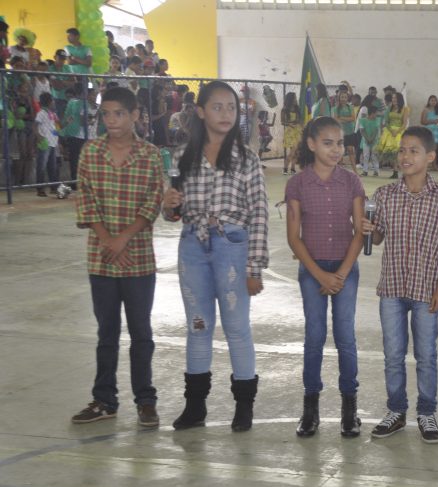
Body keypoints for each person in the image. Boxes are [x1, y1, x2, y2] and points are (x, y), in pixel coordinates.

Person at [162, 81, 268, 433]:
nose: (226, 114)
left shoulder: (247, 159)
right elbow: (173, 213)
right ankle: (195, 407)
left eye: (231, 108)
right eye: (218, 107)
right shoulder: (183, 156)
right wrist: (169, 206)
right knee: (198, 326)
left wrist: (254, 267)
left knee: (237, 327)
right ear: (200, 111)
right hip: (192, 247)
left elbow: (259, 213)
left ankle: (244, 406)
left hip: (232, 247)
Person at [71, 87, 164, 427]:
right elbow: (85, 199)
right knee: (106, 333)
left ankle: (146, 400)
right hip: (102, 260)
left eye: (119, 113)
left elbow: (153, 201)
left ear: (135, 115)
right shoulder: (90, 152)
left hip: (138, 260)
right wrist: (109, 241)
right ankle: (104, 400)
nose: (111, 120)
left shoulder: (150, 155)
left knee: (141, 333)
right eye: (106, 114)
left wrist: (123, 239)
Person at [364, 126, 438, 444]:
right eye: (402, 150)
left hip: (425, 290)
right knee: (393, 354)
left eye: (413, 151)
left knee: (426, 354)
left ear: (430, 156)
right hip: (392, 288)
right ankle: (396, 410)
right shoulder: (384, 195)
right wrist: (367, 228)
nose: (405, 156)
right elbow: (377, 238)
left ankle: (427, 412)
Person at [285, 116, 365, 438]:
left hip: (346, 269)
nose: (336, 150)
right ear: (311, 144)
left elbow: (360, 232)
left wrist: (340, 274)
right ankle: (310, 408)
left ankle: (350, 408)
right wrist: (320, 275)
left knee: (346, 337)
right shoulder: (297, 184)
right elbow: (294, 238)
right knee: (314, 336)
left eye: (340, 143)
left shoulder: (352, 182)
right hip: (312, 270)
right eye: (328, 143)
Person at [377, 92, 409, 179]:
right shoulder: (389, 108)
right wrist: (391, 131)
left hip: (399, 132)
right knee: (392, 153)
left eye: (395, 98)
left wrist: (397, 131)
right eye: (393, 98)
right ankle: (395, 171)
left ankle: (402, 171)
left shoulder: (405, 109)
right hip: (389, 132)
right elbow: (386, 122)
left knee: (398, 152)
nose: (393, 100)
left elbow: (404, 124)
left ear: (400, 99)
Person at [34, 93, 61, 197]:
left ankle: (53, 187)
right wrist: (38, 136)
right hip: (45, 142)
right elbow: (35, 126)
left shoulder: (53, 114)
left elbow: (58, 127)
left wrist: (66, 122)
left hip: (53, 142)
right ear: (49, 102)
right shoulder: (41, 113)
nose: (54, 102)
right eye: (52, 100)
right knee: (41, 166)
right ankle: (40, 189)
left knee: (52, 167)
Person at [332, 91, 357, 170]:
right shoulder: (335, 108)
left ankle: (355, 171)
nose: (344, 99)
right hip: (340, 133)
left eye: (345, 97)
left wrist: (341, 118)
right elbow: (336, 120)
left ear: (347, 98)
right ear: (339, 98)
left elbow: (353, 118)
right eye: (342, 97)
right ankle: (339, 171)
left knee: (351, 151)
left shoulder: (350, 107)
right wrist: (347, 119)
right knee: (340, 153)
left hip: (350, 132)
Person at [420, 95, 438, 170]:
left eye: (435, 100)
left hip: (437, 132)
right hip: (429, 131)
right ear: (429, 101)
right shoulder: (426, 110)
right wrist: (433, 121)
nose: (433, 102)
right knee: (428, 149)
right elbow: (422, 121)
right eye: (432, 100)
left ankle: (434, 165)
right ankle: (425, 165)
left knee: (434, 149)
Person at [281, 91, 301, 175]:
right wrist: (289, 124)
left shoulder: (297, 108)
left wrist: (298, 123)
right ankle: (285, 168)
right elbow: (282, 122)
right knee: (292, 152)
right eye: (294, 98)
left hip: (297, 131)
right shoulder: (284, 109)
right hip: (290, 132)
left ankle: (292, 168)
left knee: (297, 152)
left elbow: (299, 120)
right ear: (290, 99)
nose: (296, 100)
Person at [359, 106, 381, 177]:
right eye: (376, 113)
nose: (377, 115)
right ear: (372, 113)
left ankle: (376, 171)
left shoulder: (377, 120)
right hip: (365, 140)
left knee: (374, 155)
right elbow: (362, 131)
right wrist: (367, 139)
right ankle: (365, 171)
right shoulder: (362, 120)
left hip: (375, 140)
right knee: (366, 155)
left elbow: (376, 131)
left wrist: (371, 139)